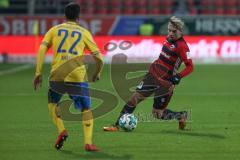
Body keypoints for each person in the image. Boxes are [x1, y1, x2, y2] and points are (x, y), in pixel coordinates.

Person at [33, 2, 103, 151]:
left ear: (64, 16)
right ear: (79, 17)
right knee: (86, 108)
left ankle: (61, 130)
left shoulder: (54, 30)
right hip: (77, 75)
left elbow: (42, 48)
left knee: (53, 103)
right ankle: (88, 142)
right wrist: (97, 73)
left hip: (57, 73)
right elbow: (99, 57)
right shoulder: (84, 32)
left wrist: (38, 72)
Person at [103, 16, 193, 131]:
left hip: (165, 82)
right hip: (152, 75)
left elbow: (190, 66)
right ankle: (116, 126)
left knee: (157, 114)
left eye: (173, 31)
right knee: (134, 99)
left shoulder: (182, 47)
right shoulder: (169, 38)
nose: (170, 33)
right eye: (169, 30)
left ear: (180, 31)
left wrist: (178, 76)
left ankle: (180, 116)